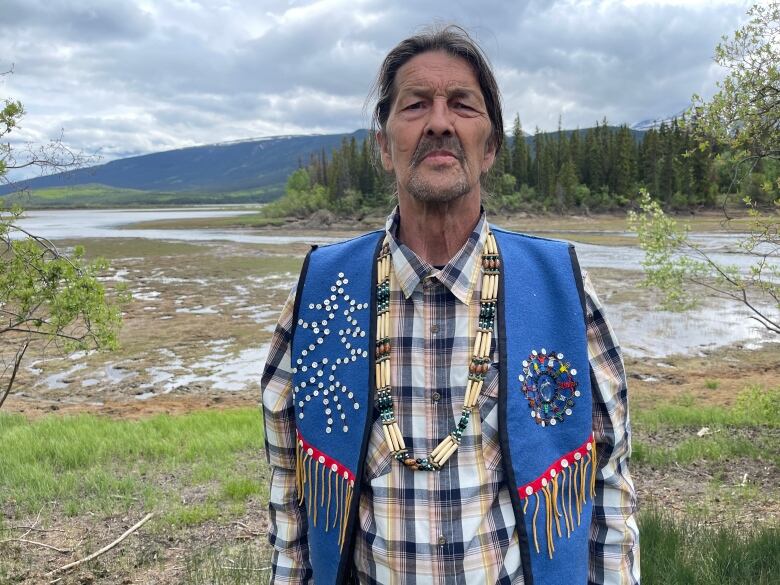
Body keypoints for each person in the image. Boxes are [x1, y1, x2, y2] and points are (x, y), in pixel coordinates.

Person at [262, 26, 639, 585]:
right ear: (383, 147)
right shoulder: (322, 295)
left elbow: (607, 489)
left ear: (490, 149)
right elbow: (290, 498)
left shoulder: (561, 292)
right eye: (416, 105)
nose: (439, 122)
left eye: (462, 104)